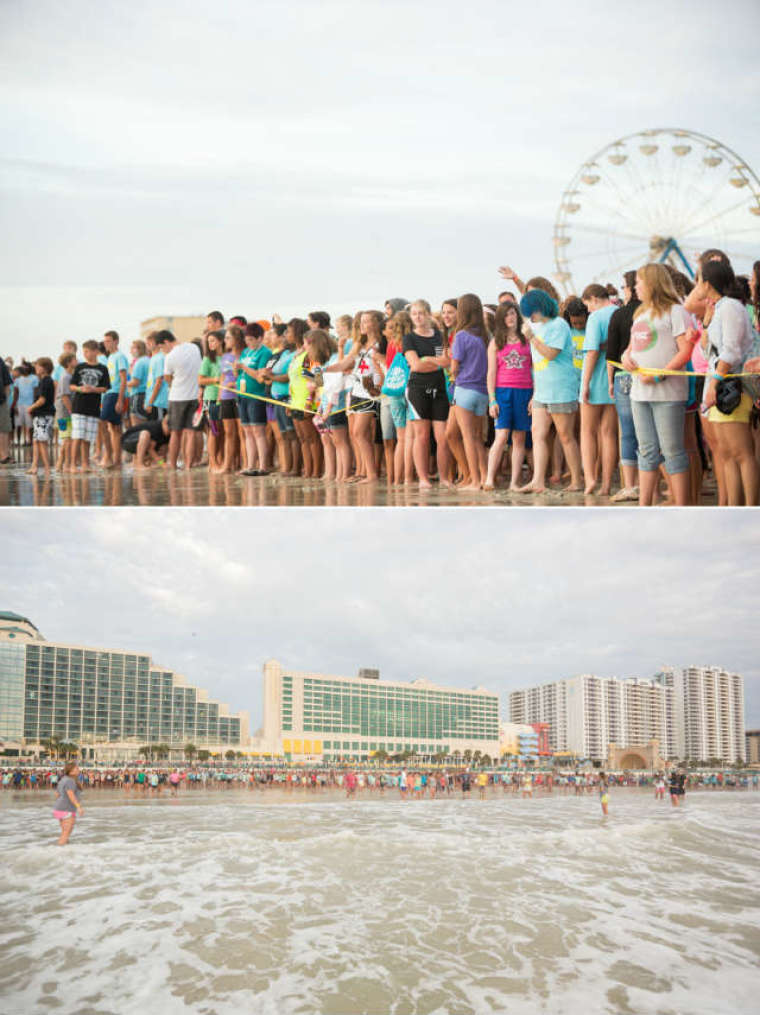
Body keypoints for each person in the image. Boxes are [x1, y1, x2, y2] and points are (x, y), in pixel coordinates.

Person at [622, 264, 692, 506]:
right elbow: (631, 348)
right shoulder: (640, 313)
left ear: (652, 283)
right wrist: (625, 358)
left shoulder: (676, 311)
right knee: (646, 451)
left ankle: (681, 506)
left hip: (668, 393)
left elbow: (685, 351)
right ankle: (644, 505)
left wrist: (660, 375)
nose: (635, 287)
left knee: (672, 451)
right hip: (638, 393)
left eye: (639, 282)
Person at [697, 260, 758, 505]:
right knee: (726, 454)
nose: (697, 285)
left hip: (732, 387)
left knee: (742, 453)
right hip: (722, 384)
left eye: (699, 280)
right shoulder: (721, 308)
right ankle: (733, 507)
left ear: (708, 283)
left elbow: (731, 352)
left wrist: (714, 383)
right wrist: (706, 323)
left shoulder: (731, 308)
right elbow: (710, 353)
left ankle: (751, 507)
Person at [519, 289, 582, 493]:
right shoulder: (538, 326)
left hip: (561, 388)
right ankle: (538, 481)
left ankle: (577, 481)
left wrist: (532, 338)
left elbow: (551, 354)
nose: (531, 317)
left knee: (565, 435)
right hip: (542, 390)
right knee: (538, 433)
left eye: (532, 312)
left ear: (541, 307)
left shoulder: (559, 325)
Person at [403, 299, 450, 488]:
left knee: (442, 436)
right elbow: (415, 365)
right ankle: (422, 478)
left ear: (428, 314)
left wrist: (429, 360)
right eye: (414, 314)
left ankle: (444, 477)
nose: (418, 317)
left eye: (421, 313)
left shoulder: (439, 336)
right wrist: (435, 362)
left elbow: (446, 362)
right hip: (417, 389)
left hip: (438, 388)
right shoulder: (409, 338)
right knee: (421, 435)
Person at [485, 300, 532, 490]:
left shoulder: (527, 339)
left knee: (519, 439)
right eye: (506, 315)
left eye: (512, 313)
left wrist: (534, 396)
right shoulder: (496, 341)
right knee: (502, 436)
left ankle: (515, 481)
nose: (510, 318)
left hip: (525, 391)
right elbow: (491, 373)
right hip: (503, 392)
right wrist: (492, 399)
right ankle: (489, 478)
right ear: (500, 319)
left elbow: (535, 369)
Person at [580, 284, 618, 496]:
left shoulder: (596, 318)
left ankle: (590, 479)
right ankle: (606, 485)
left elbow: (592, 351)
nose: (588, 311)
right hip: (615, 378)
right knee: (609, 434)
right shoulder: (619, 311)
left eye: (587, 305)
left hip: (596, 378)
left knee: (587, 431)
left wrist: (585, 383)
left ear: (593, 298)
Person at [606, 271, 641, 502]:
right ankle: (651, 485)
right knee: (649, 433)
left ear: (629, 288)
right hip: (653, 375)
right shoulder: (652, 313)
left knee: (627, 433)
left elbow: (612, 355)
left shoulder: (619, 315)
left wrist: (610, 382)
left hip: (623, 376)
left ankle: (630, 485)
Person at [450, 293, 490, 491]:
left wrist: (452, 370)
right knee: (477, 438)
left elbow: (454, 367)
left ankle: (474, 481)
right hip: (483, 392)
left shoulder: (461, 336)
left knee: (467, 437)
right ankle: (484, 478)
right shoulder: (485, 336)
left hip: (465, 389)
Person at [163, 330, 202, 470]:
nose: (163, 350)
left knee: (175, 433)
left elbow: (167, 378)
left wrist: (175, 382)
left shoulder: (170, 356)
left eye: (162, 347)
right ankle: (188, 465)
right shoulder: (194, 348)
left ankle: (172, 465)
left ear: (166, 342)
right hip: (194, 395)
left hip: (177, 397)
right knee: (191, 432)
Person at [237, 322, 271, 476]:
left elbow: (259, 377)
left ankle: (263, 465)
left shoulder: (265, 352)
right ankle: (250, 465)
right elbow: (241, 374)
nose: (248, 343)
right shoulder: (245, 352)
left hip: (256, 395)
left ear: (259, 338)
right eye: (247, 339)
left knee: (258, 430)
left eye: (251, 339)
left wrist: (244, 368)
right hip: (243, 393)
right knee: (247, 431)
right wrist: (237, 369)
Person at [69, 342, 109, 472]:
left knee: (88, 438)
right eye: (84, 351)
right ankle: (73, 465)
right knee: (77, 436)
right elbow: (72, 385)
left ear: (95, 351)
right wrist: (80, 388)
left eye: (87, 351)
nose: (85, 354)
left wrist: (93, 389)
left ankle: (86, 464)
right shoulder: (80, 367)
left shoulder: (103, 368)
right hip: (79, 407)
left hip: (93, 408)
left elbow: (105, 388)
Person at [100, 331, 129, 468]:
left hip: (115, 394)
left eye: (109, 341)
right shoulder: (110, 357)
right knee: (114, 427)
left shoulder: (120, 356)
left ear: (116, 341)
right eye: (105, 341)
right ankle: (115, 459)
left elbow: (123, 379)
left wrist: (120, 399)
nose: (106, 344)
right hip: (108, 394)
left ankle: (112, 457)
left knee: (104, 423)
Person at [198, 330, 223, 471]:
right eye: (209, 342)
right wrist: (215, 380)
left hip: (223, 398)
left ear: (220, 341)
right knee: (213, 431)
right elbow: (200, 379)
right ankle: (212, 462)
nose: (210, 344)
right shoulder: (208, 359)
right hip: (211, 398)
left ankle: (219, 460)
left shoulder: (226, 357)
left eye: (213, 341)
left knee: (222, 431)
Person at [26, 357, 56, 474]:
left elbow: (42, 400)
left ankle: (47, 468)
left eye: (38, 366)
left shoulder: (46, 381)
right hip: (41, 414)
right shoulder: (43, 380)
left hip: (44, 414)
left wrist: (31, 407)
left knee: (41, 441)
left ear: (45, 368)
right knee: (36, 440)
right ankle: (34, 466)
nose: (36, 368)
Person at [54, 352, 76, 472]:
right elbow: (64, 396)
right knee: (67, 438)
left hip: (65, 411)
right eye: (74, 359)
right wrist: (72, 412)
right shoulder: (65, 377)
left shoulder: (69, 375)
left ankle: (60, 464)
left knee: (67, 438)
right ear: (69, 363)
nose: (77, 361)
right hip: (64, 412)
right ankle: (64, 464)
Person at [53, 761, 83, 845]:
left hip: (59, 808)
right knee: (66, 833)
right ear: (71, 771)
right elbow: (71, 795)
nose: (78, 769)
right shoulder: (70, 781)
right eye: (76, 768)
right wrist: (79, 807)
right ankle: (58, 851)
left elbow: (56, 794)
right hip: (67, 809)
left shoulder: (63, 779)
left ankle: (65, 850)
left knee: (65, 832)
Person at [144, 331, 169, 419]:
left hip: (158, 402)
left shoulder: (160, 358)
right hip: (152, 402)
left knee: (159, 431)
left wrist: (150, 402)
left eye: (151, 341)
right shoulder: (153, 358)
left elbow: (159, 382)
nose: (148, 344)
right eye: (147, 342)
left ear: (158, 343)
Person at [126, 339, 150, 427]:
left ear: (139, 349)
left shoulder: (139, 362)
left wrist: (123, 383)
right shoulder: (148, 360)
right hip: (147, 395)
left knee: (137, 426)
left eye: (132, 348)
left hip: (138, 395)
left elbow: (135, 382)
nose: (130, 351)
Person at [0, 355, 14, 464]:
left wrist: (5, 398)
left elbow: (7, 382)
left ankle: (4, 455)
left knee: (4, 428)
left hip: (1, 401)